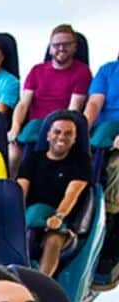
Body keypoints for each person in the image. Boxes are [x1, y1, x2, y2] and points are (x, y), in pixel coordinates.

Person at [7, 24, 93, 175]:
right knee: (13, 153)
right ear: (50, 48)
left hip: (59, 129)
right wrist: (15, 127)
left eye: (66, 44)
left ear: (74, 47)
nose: (61, 48)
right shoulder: (37, 70)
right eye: (56, 45)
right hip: (32, 128)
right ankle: (15, 191)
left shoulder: (82, 71)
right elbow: (23, 104)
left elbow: (73, 110)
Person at [16, 115, 92, 276]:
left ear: (74, 138)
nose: (61, 137)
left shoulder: (81, 161)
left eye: (68, 133)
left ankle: (41, 284)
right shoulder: (33, 159)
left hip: (61, 223)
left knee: (53, 240)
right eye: (57, 132)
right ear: (48, 135)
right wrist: (17, 214)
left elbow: (72, 193)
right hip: (30, 217)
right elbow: (21, 190)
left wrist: (58, 216)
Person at [84, 57, 119, 215]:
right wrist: (82, 130)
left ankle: (110, 215)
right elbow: (94, 103)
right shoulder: (108, 70)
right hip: (101, 133)